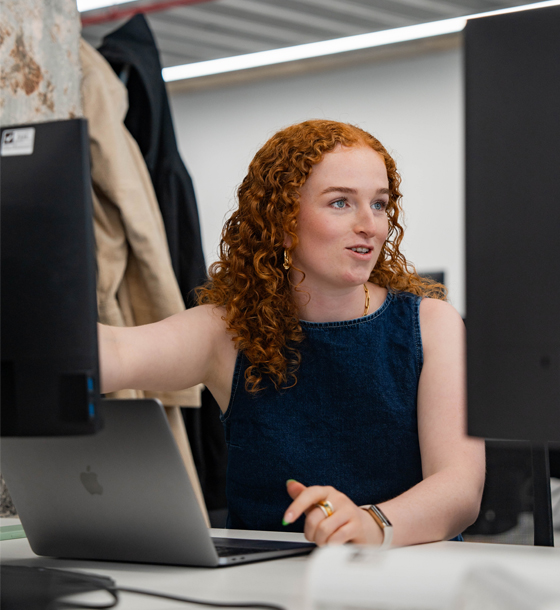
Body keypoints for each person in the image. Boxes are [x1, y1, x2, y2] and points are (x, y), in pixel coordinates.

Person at [99, 119, 485, 547]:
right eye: (341, 203)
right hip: (262, 587)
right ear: (281, 221)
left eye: (379, 204)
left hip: (407, 583)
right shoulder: (226, 330)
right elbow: (112, 352)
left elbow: (460, 488)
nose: (370, 225)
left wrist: (372, 524)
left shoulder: (431, 324)